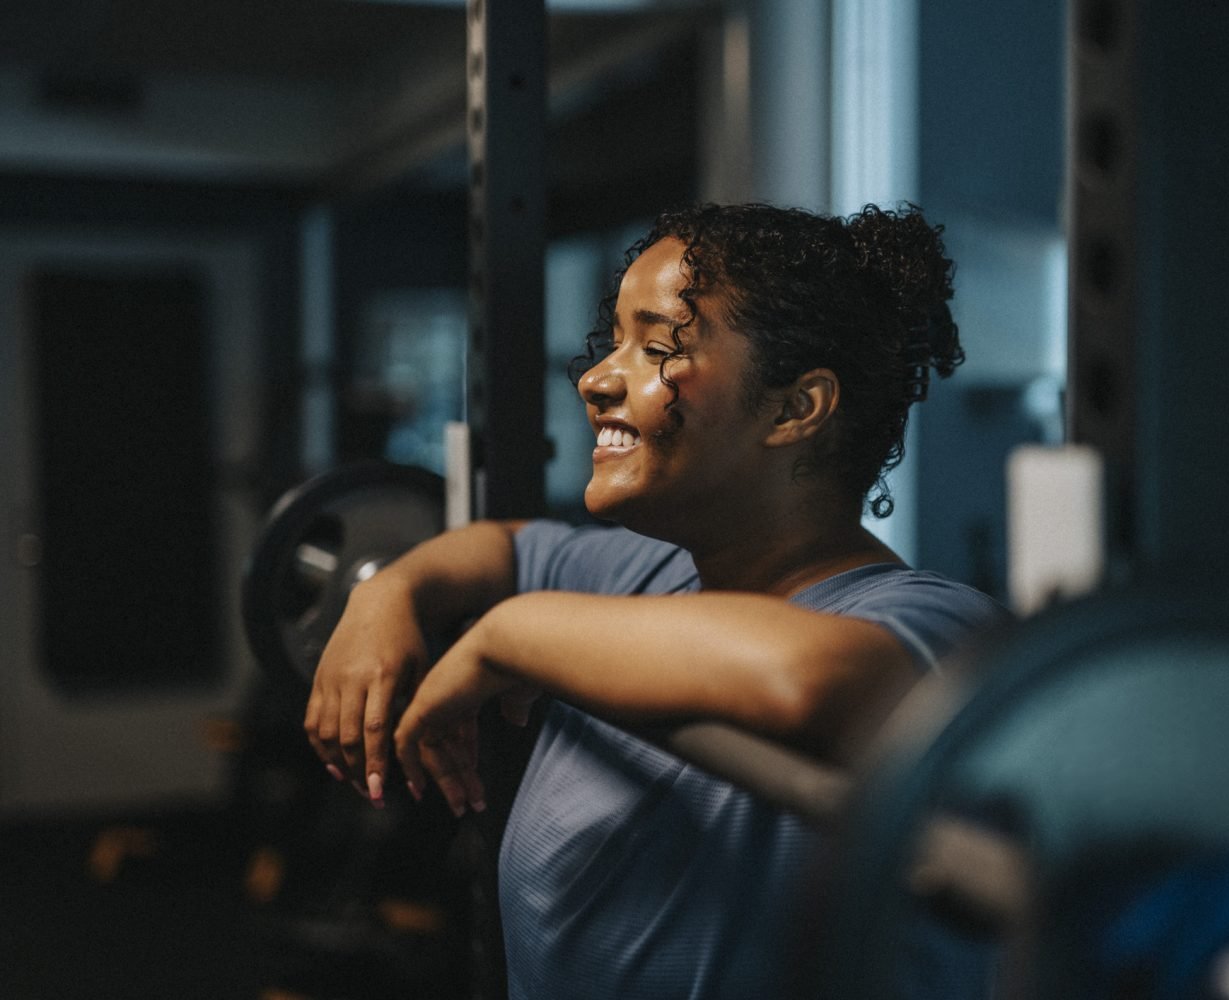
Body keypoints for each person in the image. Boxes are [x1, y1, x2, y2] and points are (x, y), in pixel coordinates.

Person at [304, 202, 1003, 999]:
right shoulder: (650, 571)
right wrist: (388, 595)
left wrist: (511, 633)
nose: (595, 378)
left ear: (795, 408)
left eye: (658, 344)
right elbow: (502, 548)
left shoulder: (933, 621)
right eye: (614, 343)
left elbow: (815, 678)